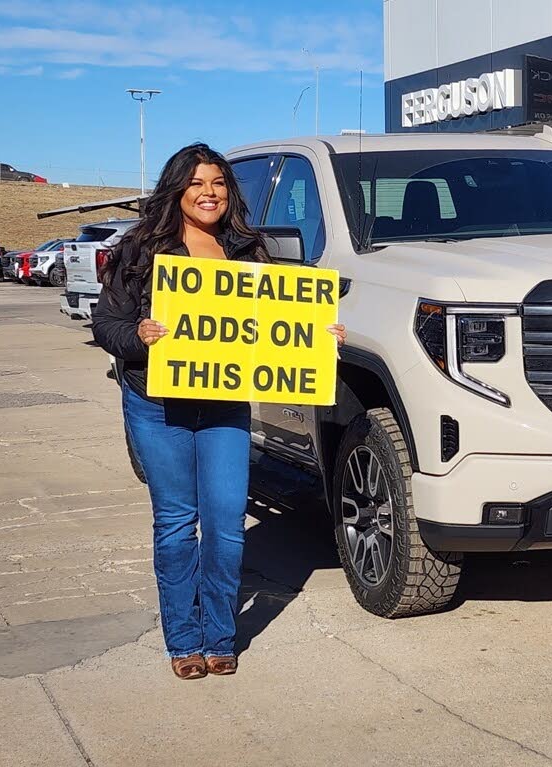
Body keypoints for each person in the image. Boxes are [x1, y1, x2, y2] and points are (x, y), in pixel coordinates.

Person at [92, 143, 345, 680]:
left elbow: (278, 321)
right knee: (178, 524)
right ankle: (183, 640)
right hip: (157, 405)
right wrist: (138, 335)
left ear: (229, 192)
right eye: (196, 184)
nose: (209, 194)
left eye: (218, 184)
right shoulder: (139, 250)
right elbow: (106, 328)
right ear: (177, 191)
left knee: (227, 522)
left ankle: (219, 637)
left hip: (223, 405)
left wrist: (318, 336)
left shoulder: (247, 251)